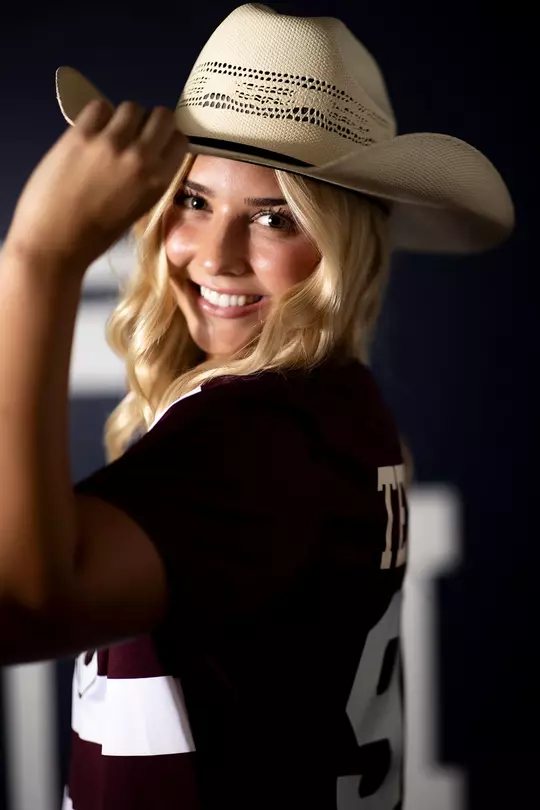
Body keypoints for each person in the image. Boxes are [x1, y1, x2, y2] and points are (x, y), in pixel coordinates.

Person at [0, 4, 513, 810]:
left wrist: (37, 258)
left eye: (275, 218)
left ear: (342, 246)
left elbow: (22, 606)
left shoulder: (262, 438)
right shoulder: (331, 406)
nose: (215, 256)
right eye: (194, 202)